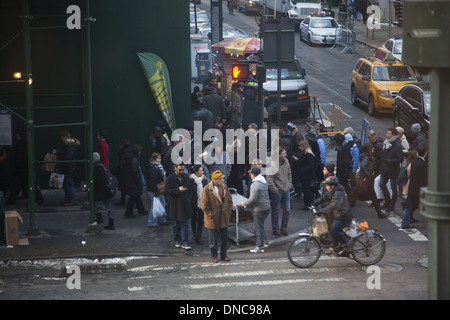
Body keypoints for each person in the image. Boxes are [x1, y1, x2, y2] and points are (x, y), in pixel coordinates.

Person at [313, 176, 353, 254]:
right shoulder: (334, 191)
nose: (326, 187)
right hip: (338, 215)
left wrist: (321, 211)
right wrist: (315, 203)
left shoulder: (338, 194)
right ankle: (337, 248)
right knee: (332, 230)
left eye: (327, 185)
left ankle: (347, 244)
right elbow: (324, 197)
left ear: (333, 186)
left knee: (334, 230)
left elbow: (333, 205)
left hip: (344, 216)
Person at [201, 170, 233, 263]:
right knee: (213, 241)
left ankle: (224, 255)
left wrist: (228, 212)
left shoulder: (225, 187)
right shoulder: (207, 189)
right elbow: (204, 205)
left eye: (222, 178)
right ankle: (214, 256)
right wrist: (211, 215)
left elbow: (229, 201)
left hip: (223, 217)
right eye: (220, 179)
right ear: (215, 180)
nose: (222, 180)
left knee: (224, 239)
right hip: (212, 219)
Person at [348, 144, 387, 218]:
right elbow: (363, 166)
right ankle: (379, 213)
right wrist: (368, 174)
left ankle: (379, 213)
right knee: (355, 197)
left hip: (364, 180)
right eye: (372, 148)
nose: (373, 149)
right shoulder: (367, 157)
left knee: (357, 197)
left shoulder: (369, 157)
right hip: (364, 180)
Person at [240, 167, 271, 253]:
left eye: (250, 174)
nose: (249, 175)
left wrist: (244, 204)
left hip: (259, 209)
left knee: (258, 228)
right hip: (266, 207)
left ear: (253, 175)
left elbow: (252, 199)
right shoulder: (263, 181)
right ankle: (265, 242)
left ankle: (259, 247)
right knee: (261, 226)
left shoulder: (255, 184)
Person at [166, 162, 196, 250]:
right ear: (175, 168)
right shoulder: (170, 178)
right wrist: (178, 190)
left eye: (183, 169)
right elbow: (167, 191)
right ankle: (177, 240)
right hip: (175, 204)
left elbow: (191, 188)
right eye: (180, 169)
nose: (182, 171)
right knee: (176, 224)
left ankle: (185, 242)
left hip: (185, 204)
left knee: (185, 224)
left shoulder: (186, 177)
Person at [400, 143, 428, 230]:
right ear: (425, 153)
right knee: (410, 206)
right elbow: (421, 179)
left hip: (412, 187)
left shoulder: (415, 161)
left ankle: (405, 222)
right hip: (415, 189)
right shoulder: (421, 164)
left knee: (410, 205)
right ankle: (405, 223)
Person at [267, 148, 292, 236]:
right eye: (283, 153)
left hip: (286, 190)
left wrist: (289, 184)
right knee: (275, 211)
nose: (285, 155)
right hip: (277, 192)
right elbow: (269, 179)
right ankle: (275, 229)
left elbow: (289, 173)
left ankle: (284, 228)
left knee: (287, 210)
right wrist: (275, 190)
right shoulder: (272, 165)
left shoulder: (286, 162)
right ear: (278, 155)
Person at [52, 130, 80, 206]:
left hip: (69, 168)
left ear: (64, 137)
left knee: (69, 184)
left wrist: (60, 167)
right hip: (70, 168)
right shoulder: (70, 145)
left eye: (61, 138)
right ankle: (69, 199)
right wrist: (58, 152)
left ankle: (72, 200)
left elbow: (67, 159)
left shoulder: (69, 146)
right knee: (68, 184)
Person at [379, 128, 404, 214]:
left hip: (393, 170)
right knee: (381, 184)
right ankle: (387, 201)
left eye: (389, 134)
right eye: (387, 133)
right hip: (385, 169)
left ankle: (391, 206)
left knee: (394, 188)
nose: (387, 135)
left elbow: (401, 158)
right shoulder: (387, 142)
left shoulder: (397, 145)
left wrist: (390, 161)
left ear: (393, 135)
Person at [123, 144, 146, 218]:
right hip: (134, 181)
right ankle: (129, 213)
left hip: (131, 180)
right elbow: (135, 172)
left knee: (136, 196)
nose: (140, 152)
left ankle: (141, 210)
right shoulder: (134, 160)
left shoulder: (130, 158)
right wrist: (139, 181)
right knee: (133, 197)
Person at [93, 152, 115, 230]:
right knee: (109, 207)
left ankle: (100, 218)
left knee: (95, 204)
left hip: (102, 191)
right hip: (106, 191)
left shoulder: (97, 168)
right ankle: (110, 222)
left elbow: (99, 182)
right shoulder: (102, 166)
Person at [292, 139, 317, 209]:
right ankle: (307, 203)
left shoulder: (308, 155)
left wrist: (301, 171)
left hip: (307, 176)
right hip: (306, 175)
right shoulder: (306, 153)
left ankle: (310, 202)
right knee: (305, 189)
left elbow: (309, 166)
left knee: (305, 189)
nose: (299, 148)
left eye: (300, 146)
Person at [146, 152, 168, 228]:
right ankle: (151, 222)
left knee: (162, 204)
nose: (160, 160)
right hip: (154, 190)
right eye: (159, 158)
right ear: (154, 159)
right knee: (155, 206)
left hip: (156, 189)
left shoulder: (157, 166)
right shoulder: (153, 167)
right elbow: (152, 180)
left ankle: (161, 220)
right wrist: (155, 190)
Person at [190, 164, 209, 245]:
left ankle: (199, 237)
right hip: (193, 202)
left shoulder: (205, 180)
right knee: (193, 219)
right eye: (201, 170)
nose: (202, 172)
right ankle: (194, 234)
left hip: (202, 202)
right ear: (196, 172)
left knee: (200, 221)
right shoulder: (191, 179)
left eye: (202, 170)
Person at [114, 139, 132, 206]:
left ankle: (123, 201)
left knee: (123, 188)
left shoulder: (123, 152)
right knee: (129, 188)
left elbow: (121, 164)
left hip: (123, 173)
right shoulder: (131, 150)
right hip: (129, 171)